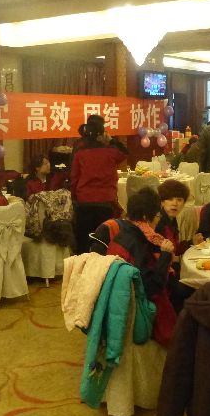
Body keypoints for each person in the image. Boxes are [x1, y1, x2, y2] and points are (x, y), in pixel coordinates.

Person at [105, 187, 176, 345]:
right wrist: (165, 256)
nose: (158, 220)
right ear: (145, 217)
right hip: (138, 307)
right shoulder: (139, 243)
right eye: (157, 215)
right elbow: (152, 287)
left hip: (117, 300)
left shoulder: (123, 234)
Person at [70, 114, 128, 253]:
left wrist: (75, 198)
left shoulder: (80, 153)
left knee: (83, 241)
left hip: (84, 202)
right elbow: (125, 152)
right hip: (106, 202)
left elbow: (74, 178)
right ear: (100, 135)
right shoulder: (111, 152)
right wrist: (112, 140)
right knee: (104, 241)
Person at [155, 179, 192, 257]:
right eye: (170, 199)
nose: (175, 203)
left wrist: (192, 242)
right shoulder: (157, 222)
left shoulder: (172, 219)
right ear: (162, 202)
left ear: (184, 204)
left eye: (179, 200)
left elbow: (174, 248)